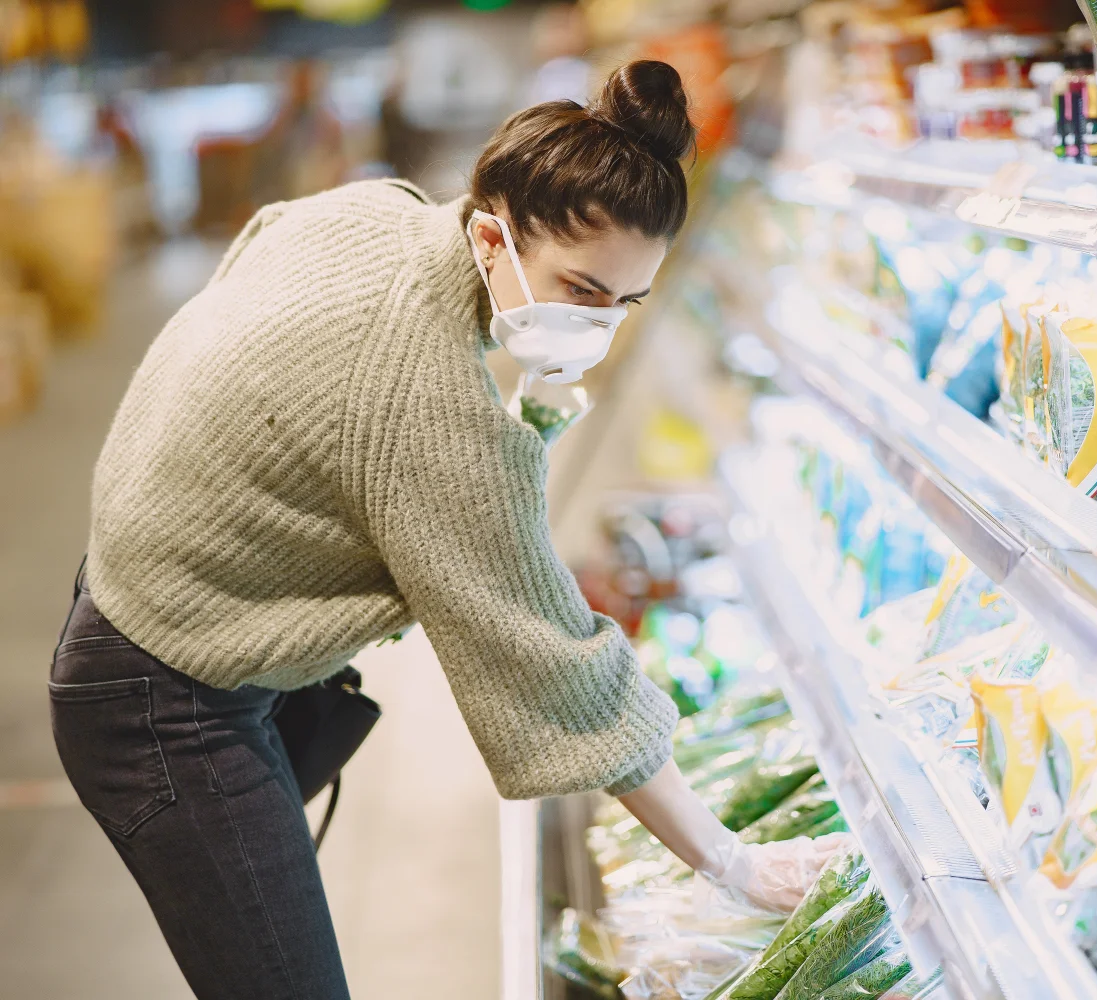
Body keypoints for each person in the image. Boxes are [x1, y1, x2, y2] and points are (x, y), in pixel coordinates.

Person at [50, 60, 846, 1000]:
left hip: (135, 596)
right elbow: (554, 663)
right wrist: (731, 862)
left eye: (625, 304)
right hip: (161, 700)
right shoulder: (428, 412)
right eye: (581, 289)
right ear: (491, 237)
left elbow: (256, 254)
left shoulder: (369, 210)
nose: (599, 327)